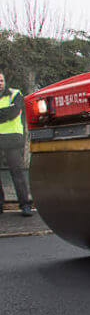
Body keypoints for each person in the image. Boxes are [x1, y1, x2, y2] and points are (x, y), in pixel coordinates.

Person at [0, 71, 33, 216]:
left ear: (4, 81)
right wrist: (4, 113)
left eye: (1, 80)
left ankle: (25, 205)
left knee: (16, 172)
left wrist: (5, 114)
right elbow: (7, 113)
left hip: (12, 138)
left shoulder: (15, 94)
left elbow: (13, 112)